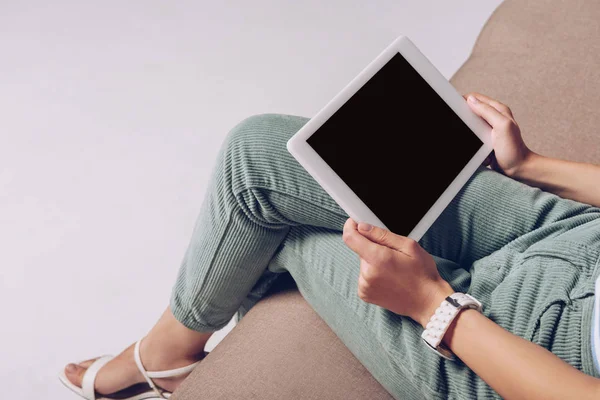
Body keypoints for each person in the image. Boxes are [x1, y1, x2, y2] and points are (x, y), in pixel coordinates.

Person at [60, 93, 600, 399]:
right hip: (578, 235)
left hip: (539, 350)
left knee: (285, 231)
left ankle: (161, 359)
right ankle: (172, 352)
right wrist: (529, 167)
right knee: (256, 152)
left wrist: (433, 306)